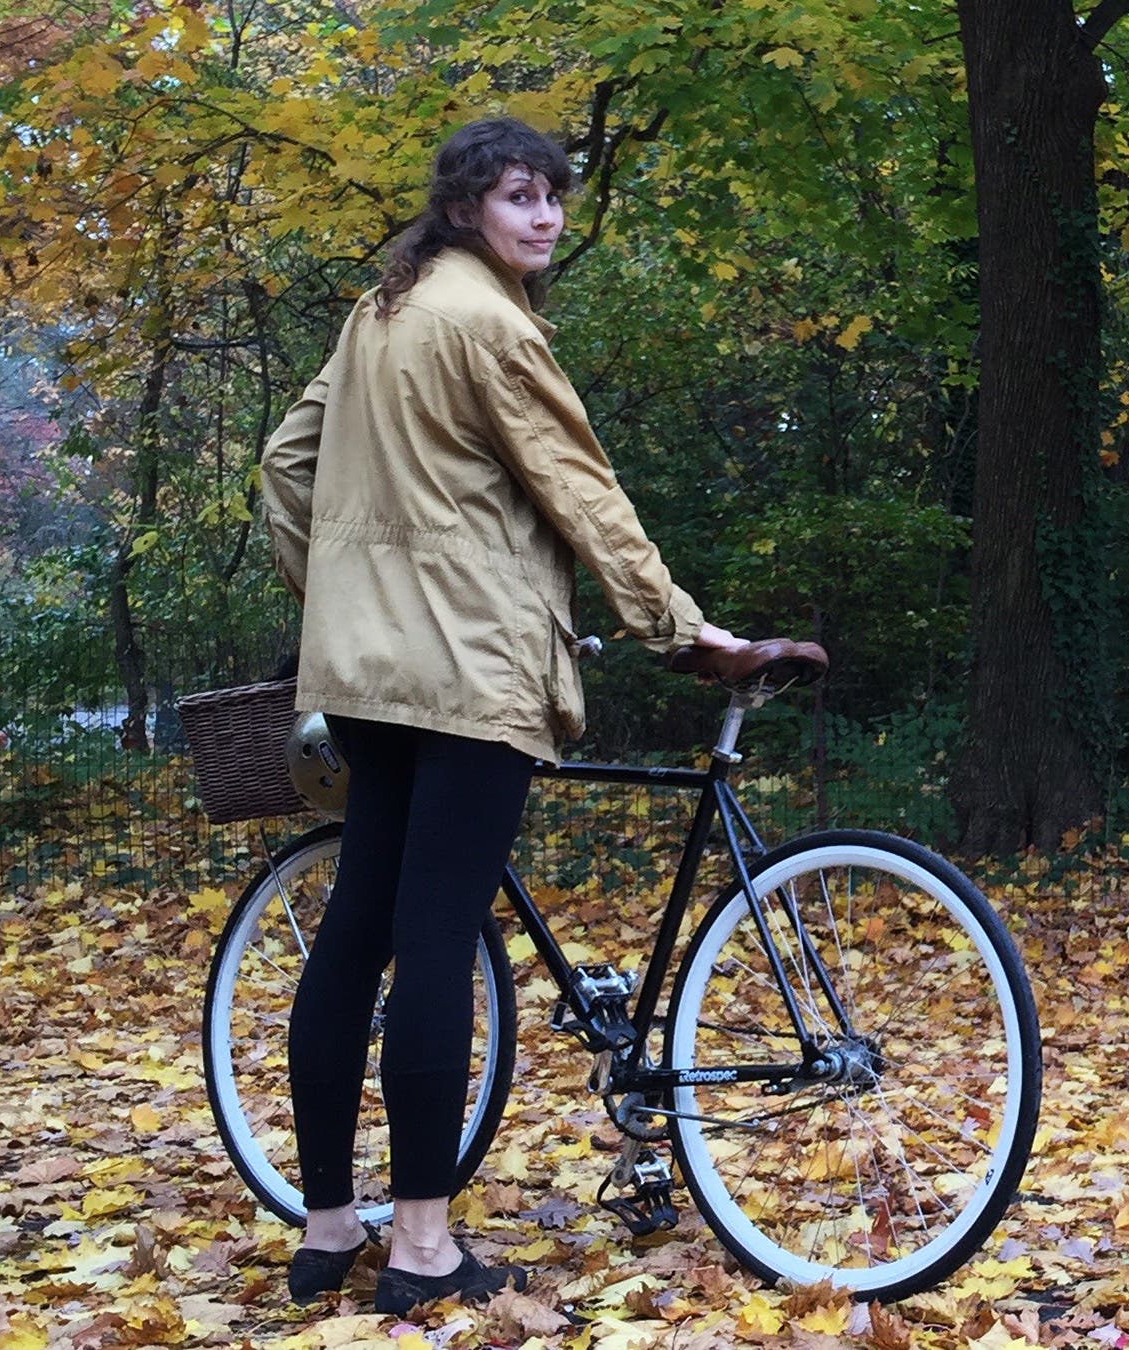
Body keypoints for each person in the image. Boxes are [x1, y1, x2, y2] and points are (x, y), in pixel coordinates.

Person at [260, 116, 741, 1314]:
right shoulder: (489, 326)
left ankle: (328, 1229)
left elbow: (283, 466)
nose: (544, 217)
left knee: (357, 929)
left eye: (556, 199)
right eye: (520, 196)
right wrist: (681, 630)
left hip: (366, 679)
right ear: (469, 205)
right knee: (433, 939)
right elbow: (582, 491)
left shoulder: (381, 310)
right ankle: (421, 1245)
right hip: (470, 677)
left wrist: (339, 602)